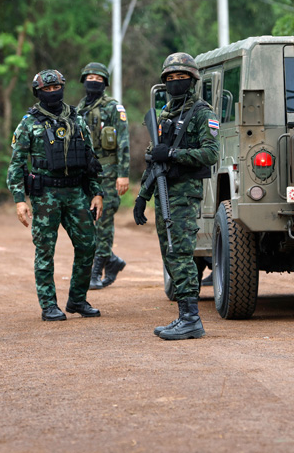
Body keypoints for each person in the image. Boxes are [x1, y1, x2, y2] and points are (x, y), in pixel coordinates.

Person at [7, 69, 105, 321]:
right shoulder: (29, 122)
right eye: (46, 90)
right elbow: (16, 164)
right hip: (45, 194)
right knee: (45, 250)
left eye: (56, 88)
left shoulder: (77, 118)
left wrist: (96, 192)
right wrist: (20, 200)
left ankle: (77, 300)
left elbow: (90, 160)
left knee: (88, 244)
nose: (52, 92)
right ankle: (49, 304)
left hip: (75, 192)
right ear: (38, 93)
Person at [134, 53, 219, 340]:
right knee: (169, 254)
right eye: (169, 78)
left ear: (192, 80)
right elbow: (154, 161)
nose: (174, 82)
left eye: (180, 77)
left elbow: (211, 153)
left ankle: (191, 318)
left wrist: (172, 153)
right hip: (163, 191)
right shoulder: (167, 114)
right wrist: (142, 196)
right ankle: (184, 315)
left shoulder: (201, 112)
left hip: (184, 194)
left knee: (180, 253)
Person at [75, 62, 130, 290]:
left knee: (103, 223)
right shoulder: (79, 109)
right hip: (85, 176)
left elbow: (123, 142)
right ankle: (112, 260)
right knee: (88, 223)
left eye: (99, 79)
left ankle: (96, 272)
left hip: (108, 175)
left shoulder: (113, 108)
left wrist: (123, 174)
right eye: (90, 78)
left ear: (105, 84)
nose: (94, 82)